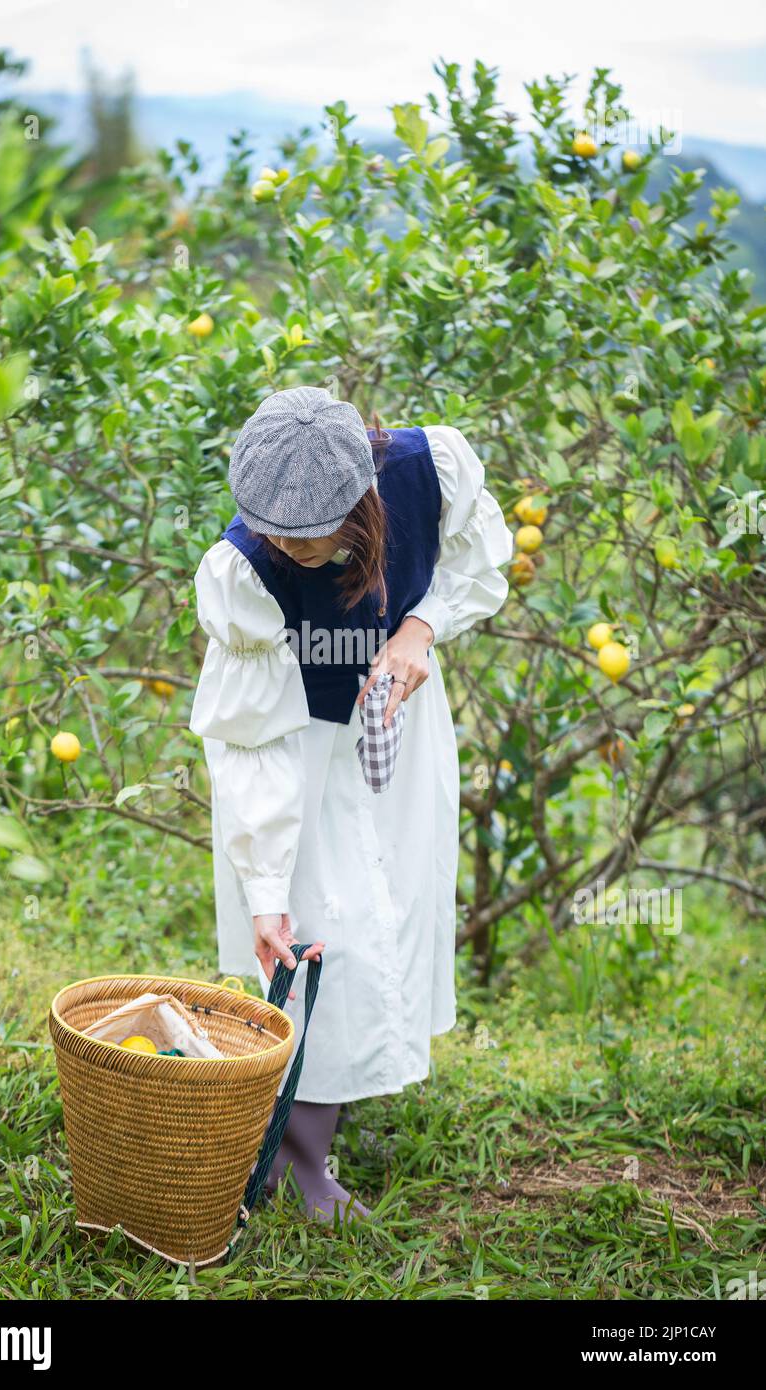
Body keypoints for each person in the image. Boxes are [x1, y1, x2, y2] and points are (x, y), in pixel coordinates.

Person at [189, 386, 513, 1220]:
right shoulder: (243, 571)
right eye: (273, 528)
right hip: (295, 751)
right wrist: (265, 887)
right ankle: (292, 1162)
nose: (287, 546)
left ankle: (326, 1119)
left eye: (308, 531)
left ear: (361, 497)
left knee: (387, 914)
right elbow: (251, 742)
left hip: (398, 723)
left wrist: (422, 627)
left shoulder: (427, 469)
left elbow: (483, 563)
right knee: (307, 927)